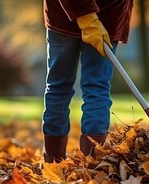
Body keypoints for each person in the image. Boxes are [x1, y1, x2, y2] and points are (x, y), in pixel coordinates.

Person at [42, 0, 134, 163]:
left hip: (81, 15)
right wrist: (86, 16)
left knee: (59, 87)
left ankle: (54, 162)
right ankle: (91, 164)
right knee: (96, 88)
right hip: (100, 16)